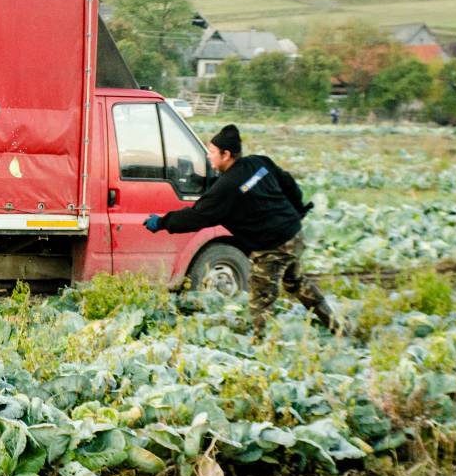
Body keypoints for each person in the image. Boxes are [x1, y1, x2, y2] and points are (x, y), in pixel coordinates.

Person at [142, 124, 335, 334]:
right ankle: (337, 324)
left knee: (260, 301)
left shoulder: (227, 187)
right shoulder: (259, 163)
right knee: (295, 282)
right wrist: (296, 210)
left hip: (272, 247)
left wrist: (161, 222)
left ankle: (262, 348)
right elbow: (288, 184)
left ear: (226, 155)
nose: (208, 156)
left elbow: (197, 216)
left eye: (212, 152)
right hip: (294, 233)